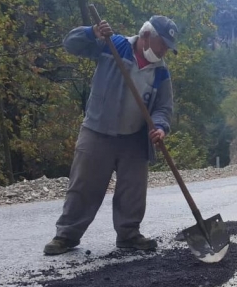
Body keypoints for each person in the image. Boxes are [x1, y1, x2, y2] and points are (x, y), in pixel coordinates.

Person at [43, 16, 178, 255]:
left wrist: (160, 127)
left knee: (133, 191)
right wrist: (91, 32)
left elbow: (163, 108)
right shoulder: (113, 45)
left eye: (168, 47)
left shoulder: (161, 72)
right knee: (84, 186)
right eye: (163, 44)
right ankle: (66, 236)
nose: (165, 50)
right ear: (146, 36)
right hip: (97, 131)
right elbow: (71, 44)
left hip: (134, 138)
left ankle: (129, 235)